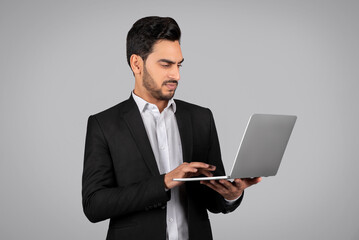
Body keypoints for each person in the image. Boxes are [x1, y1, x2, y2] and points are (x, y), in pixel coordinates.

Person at [82, 16, 261, 240]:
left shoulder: (201, 118)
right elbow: (94, 205)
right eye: (165, 64)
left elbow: (212, 201)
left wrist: (231, 195)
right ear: (137, 64)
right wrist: (164, 182)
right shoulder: (104, 124)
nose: (175, 75)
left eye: (179, 65)